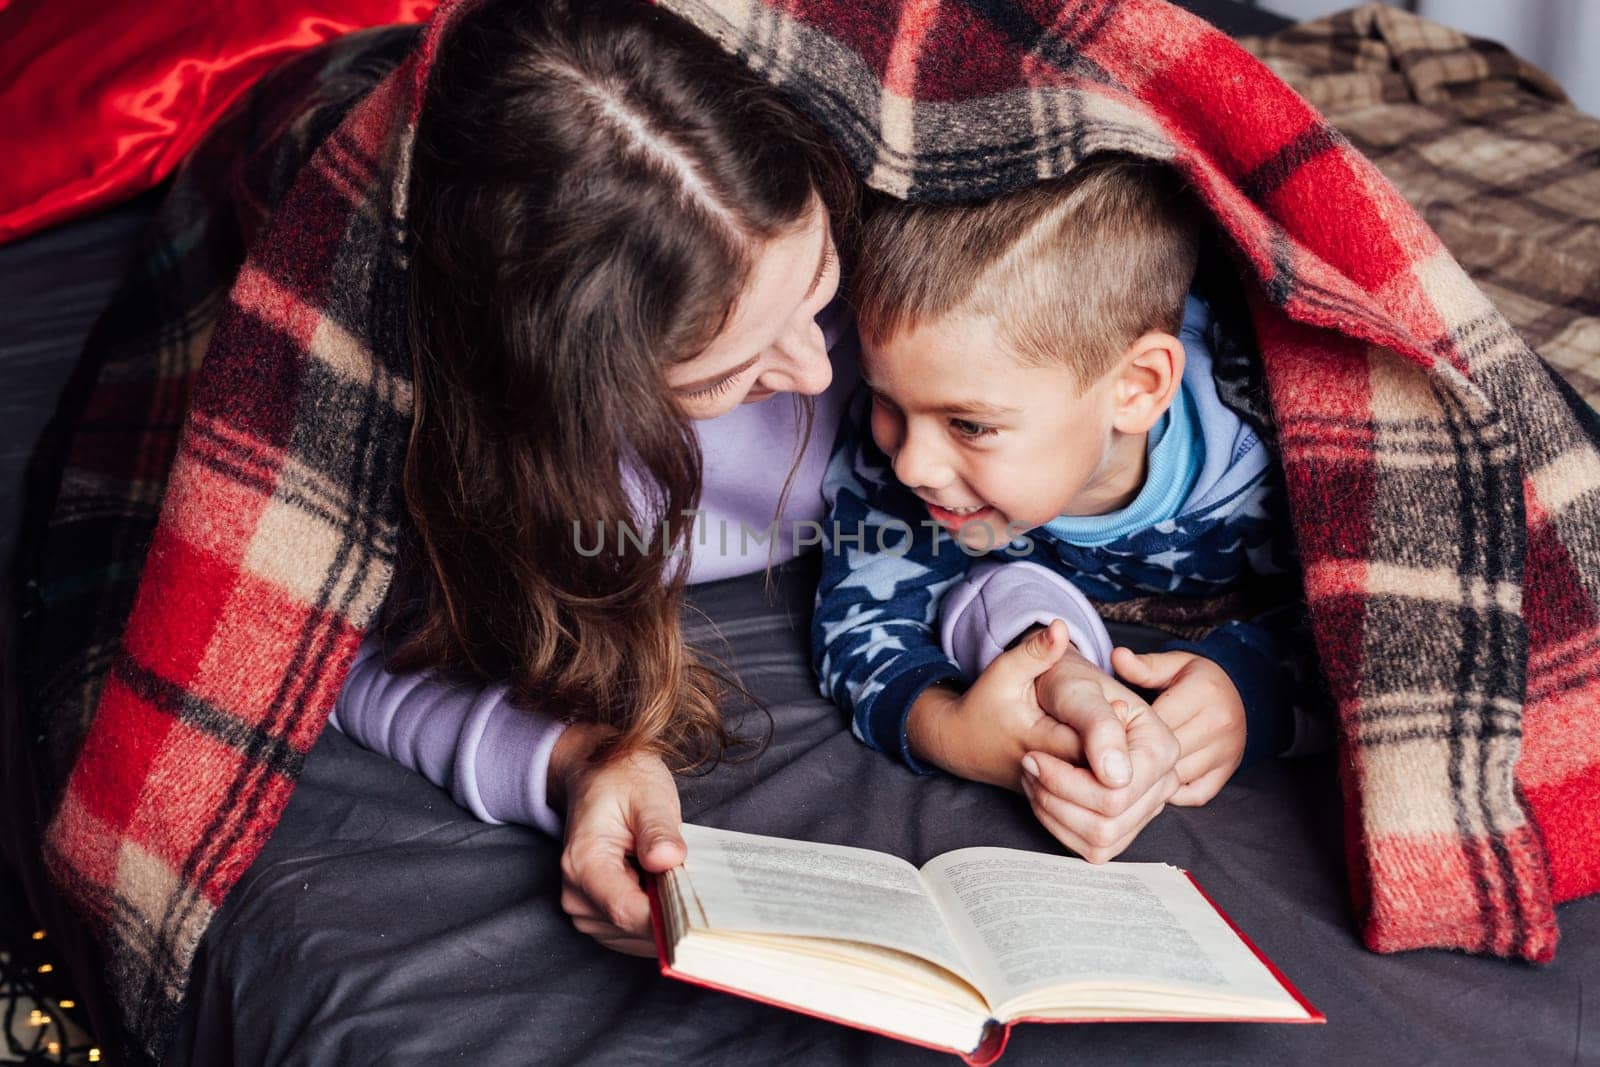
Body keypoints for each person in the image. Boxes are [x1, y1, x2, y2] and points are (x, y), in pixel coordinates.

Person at [331, 0, 859, 957]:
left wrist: (1040, 632)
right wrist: (577, 758)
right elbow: (320, 652)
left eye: (815, 282)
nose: (819, 374)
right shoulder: (447, 441)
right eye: (725, 377)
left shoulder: (882, 247)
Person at [814, 158, 1325, 863]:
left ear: (1138, 389)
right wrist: (951, 731)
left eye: (970, 426)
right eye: (886, 402)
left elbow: (1386, 631)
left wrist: (1251, 690)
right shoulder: (919, 415)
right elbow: (862, 621)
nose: (911, 466)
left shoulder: (1279, 463)